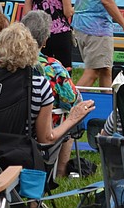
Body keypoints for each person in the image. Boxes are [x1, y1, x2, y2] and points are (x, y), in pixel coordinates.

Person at [0, 23, 95, 145]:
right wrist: (73, 118)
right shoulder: (39, 84)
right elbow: (46, 138)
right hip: (22, 151)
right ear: (32, 49)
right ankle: (62, 165)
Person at [20, 10, 81, 177]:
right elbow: (71, 100)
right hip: (43, 131)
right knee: (72, 110)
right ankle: (61, 171)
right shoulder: (52, 67)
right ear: (45, 40)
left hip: (9, 127)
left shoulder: (4, 63)